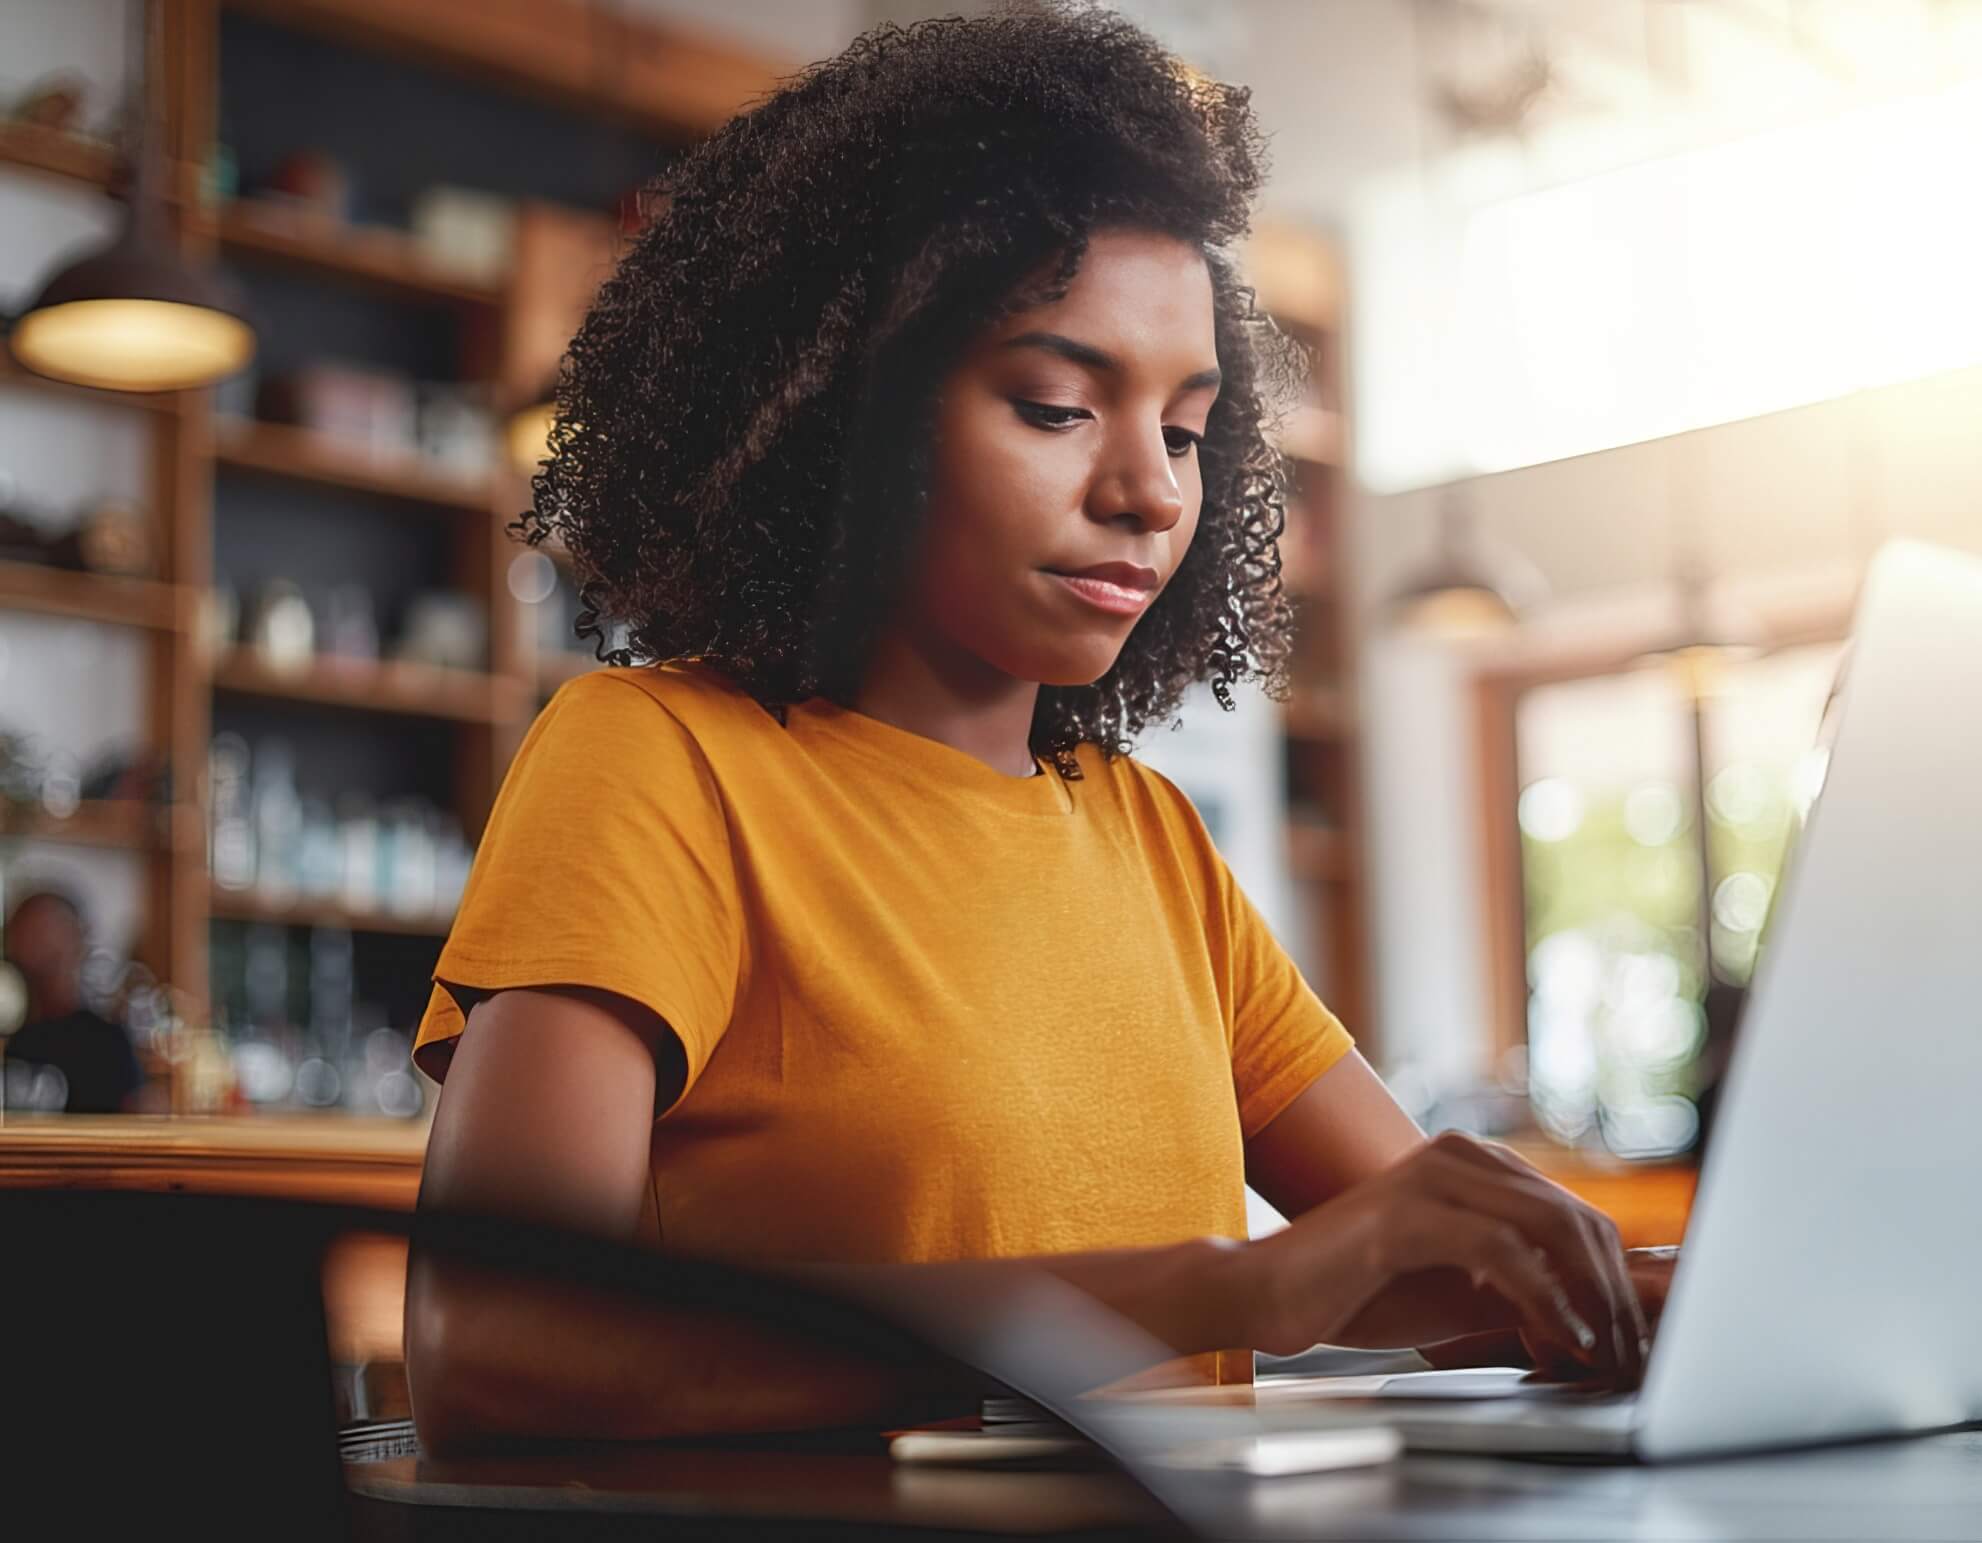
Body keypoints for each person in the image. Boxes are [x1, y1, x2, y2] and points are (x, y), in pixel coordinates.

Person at [404, 3, 1674, 1454]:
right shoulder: (658, 761)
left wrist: (1634, 1296)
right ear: (842, 416)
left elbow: (1428, 1261)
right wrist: (1234, 1286)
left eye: (1188, 431)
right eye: (1059, 404)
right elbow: (497, 1353)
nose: (1149, 491)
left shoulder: (1148, 836)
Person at [2, 888, 142, 1114]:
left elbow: (117, 1134)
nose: (36, 951)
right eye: (25, 936)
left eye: (46, 935)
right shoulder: (10, 1033)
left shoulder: (103, 1043)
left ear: (78, 942)